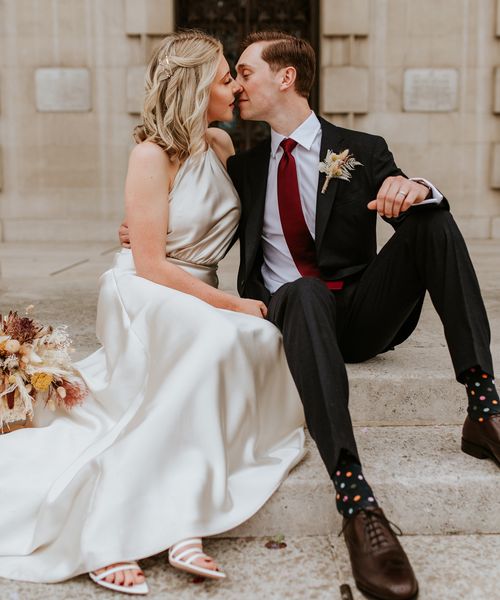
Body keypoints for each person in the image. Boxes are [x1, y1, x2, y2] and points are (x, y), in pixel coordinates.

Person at [122, 30, 499, 600]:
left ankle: (484, 406)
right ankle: (355, 499)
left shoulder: (362, 149)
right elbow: (185, 213)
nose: (236, 84)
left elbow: (409, 203)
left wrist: (415, 186)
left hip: (362, 312)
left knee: (431, 219)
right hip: (294, 314)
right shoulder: (241, 164)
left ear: (285, 77)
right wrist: (140, 231)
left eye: (244, 72)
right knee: (300, 290)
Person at [0, 30, 306, 596]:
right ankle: (138, 528)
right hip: (146, 288)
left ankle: (185, 512)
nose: (235, 86)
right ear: (194, 86)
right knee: (217, 339)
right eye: (224, 77)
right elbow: (149, 263)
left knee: (258, 342)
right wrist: (232, 305)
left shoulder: (220, 146)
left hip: (200, 288)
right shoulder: (149, 154)